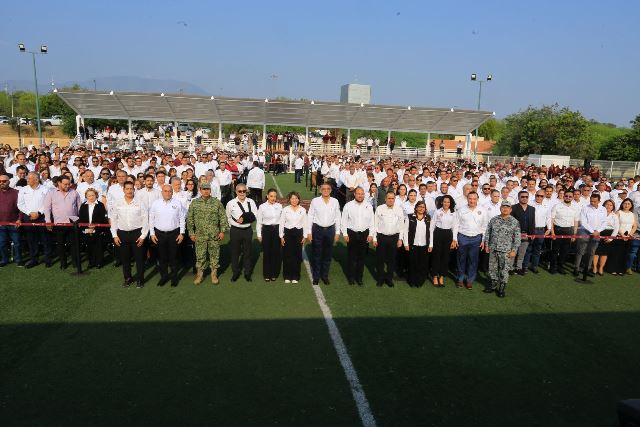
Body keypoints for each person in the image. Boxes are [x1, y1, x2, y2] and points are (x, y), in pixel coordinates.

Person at [187, 182, 228, 285]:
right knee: (200, 255)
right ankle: (200, 274)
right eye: (204, 189)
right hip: (200, 235)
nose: (206, 191)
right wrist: (191, 233)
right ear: (200, 190)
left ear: (210, 190)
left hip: (214, 235)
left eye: (207, 189)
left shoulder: (216, 202)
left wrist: (222, 231)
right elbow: (190, 218)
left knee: (214, 255)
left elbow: (223, 217)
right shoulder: (195, 203)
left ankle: (214, 274)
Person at [110, 181, 148, 288]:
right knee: (125, 259)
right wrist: (114, 235)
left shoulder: (140, 202)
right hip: (122, 234)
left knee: (139, 259)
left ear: (134, 190)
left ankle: (140, 279)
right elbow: (114, 219)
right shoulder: (117, 203)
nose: (129, 191)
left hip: (137, 234)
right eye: (127, 189)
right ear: (123, 190)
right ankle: (128, 278)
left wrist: (143, 236)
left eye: (131, 188)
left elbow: (145, 219)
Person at [149, 185, 186, 287]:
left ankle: (174, 278)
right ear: (162, 192)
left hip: (174, 234)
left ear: (172, 192)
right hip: (159, 234)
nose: (167, 193)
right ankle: (164, 277)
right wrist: (152, 233)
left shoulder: (177, 203)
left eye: (170, 191)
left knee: (173, 257)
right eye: (165, 191)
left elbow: (182, 219)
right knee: (162, 257)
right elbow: (151, 219)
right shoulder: (155, 203)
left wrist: (182, 233)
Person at [483, 201, 521, 298]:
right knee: (492, 269)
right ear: (500, 208)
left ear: (510, 209)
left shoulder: (514, 222)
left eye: (507, 207)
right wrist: (486, 245)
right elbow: (488, 233)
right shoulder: (494, 219)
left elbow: (517, 238)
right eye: (503, 207)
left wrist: (514, 250)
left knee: (504, 270)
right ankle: (493, 285)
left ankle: (501, 288)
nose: (505, 209)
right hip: (493, 248)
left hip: (506, 251)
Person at [43, 175, 81, 270]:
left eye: (69, 184)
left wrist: (79, 220)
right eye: (65, 184)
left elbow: (79, 207)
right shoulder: (51, 193)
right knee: (60, 244)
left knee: (74, 244)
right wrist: (48, 221)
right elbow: (47, 208)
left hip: (73, 223)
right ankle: (63, 263)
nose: (67, 186)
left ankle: (75, 262)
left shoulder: (74, 192)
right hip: (59, 223)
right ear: (59, 183)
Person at [307, 183, 341, 286]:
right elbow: (310, 216)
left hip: (330, 230)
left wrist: (337, 232)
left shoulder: (335, 201)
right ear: (320, 190)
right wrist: (309, 232)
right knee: (317, 254)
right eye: (323, 189)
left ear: (330, 190)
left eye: (328, 189)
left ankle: (325, 276)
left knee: (327, 254)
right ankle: (316, 277)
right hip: (317, 230)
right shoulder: (315, 201)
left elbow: (338, 217)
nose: (326, 190)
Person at [452, 192, 488, 289]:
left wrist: (483, 240)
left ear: (477, 199)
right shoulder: (461, 210)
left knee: (473, 261)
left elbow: (485, 226)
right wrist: (455, 238)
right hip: (462, 238)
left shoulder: (483, 210)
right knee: (461, 259)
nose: (472, 201)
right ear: (467, 199)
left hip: (476, 239)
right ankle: (460, 279)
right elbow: (455, 225)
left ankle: (470, 281)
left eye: (474, 199)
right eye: (470, 198)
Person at [341, 187, 375, 286]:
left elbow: (372, 221)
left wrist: (371, 234)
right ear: (354, 194)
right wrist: (345, 234)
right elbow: (344, 221)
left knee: (362, 257)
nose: (360, 195)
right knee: (352, 257)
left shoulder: (368, 206)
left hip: (364, 234)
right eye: (358, 193)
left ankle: (359, 277)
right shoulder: (348, 205)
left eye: (362, 194)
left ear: (364, 195)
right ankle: (351, 277)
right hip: (352, 233)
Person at [17, 172, 52, 268]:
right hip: (28, 217)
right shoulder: (23, 190)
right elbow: (20, 204)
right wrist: (29, 213)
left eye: (29, 178)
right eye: (27, 178)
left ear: (36, 180)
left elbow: (48, 203)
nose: (27, 180)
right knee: (31, 239)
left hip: (42, 216)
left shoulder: (46, 189)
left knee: (45, 238)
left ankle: (48, 259)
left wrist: (39, 213)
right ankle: (34, 259)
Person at [226, 183, 258, 282]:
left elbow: (255, 215)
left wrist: (244, 219)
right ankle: (235, 272)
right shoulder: (231, 203)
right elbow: (228, 217)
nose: (242, 193)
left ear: (246, 192)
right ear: (236, 192)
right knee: (235, 252)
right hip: (235, 230)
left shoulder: (251, 202)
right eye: (240, 191)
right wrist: (234, 224)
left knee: (247, 252)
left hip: (247, 230)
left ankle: (247, 273)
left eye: (244, 191)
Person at [373, 190, 405, 287]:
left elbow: (401, 226)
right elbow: (375, 224)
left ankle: (389, 279)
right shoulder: (379, 208)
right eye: (389, 198)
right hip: (381, 237)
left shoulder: (399, 209)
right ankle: (380, 278)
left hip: (394, 237)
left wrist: (400, 239)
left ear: (394, 199)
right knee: (380, 259)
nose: (391, 200)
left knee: (392, 260)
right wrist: (374, 238)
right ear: (385, 199)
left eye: (392, 198)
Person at [573, 193, 606, 276]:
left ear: (599, 201)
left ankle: (587, 269)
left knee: (592, 252)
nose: (592, 203)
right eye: (591, 201)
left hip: (597, 232)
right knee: (581, 251)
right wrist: (592, 231)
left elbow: (604, 222)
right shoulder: (585, 208)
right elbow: (583, 222)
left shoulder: (603, 209)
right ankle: (576, 268)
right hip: (585, 231)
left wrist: (598, 231)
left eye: (594, 201)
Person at [279, 191, 308, 283]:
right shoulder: (285, 209)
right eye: (292, 198)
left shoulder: (302, 210)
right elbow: (281, 223)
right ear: (289, 199)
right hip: (287, 233)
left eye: (296, 198)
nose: (294, 200)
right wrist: (281, 236)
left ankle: (295, 276)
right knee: (287, 254)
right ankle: (287, 276)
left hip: (298, 233)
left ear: (298, 199)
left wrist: (305, 236)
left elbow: (305, 223)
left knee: (297, 255)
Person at [429, 195, 456, 287]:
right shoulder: (437, 212)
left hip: (448, 235)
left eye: (448, 202)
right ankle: (435, 276)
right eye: (445, 202)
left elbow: (455, 227)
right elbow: (432, 226)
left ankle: (441, 276)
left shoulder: (453, 213)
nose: (446, 204)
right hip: (438, 233)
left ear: (450, 203)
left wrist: (454, 239)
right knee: (436, 256)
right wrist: (431, 242)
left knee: (445, 257)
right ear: (441, 202)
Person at [550, 190, 580, 274]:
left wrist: (574, 234)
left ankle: (561, 267)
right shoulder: (557, 206)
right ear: (563, 196)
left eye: (570, 196)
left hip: (569, 230)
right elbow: (551, 220)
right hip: (558, 230)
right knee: (555, 250)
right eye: (566, 196)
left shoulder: (575, 208)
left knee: (565, 251)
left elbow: (576, 222)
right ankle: (553, 267)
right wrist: (552, 232)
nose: (568, 197)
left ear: (573, 197)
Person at [257, 188, 283, 282]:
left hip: (277, 230)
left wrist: (282, 234)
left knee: (276, 252)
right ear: (267, 196)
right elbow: (259, 222)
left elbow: (282, 220)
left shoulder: (279, 206)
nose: (273, 198)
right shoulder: (262, 207)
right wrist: (259, 234)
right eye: (271, 196)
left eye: (275, 196)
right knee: (267, 252)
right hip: (267, 230)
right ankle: (266, 274)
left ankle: (274, 273)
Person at [78, 188, 108, 269]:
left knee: (98, 246)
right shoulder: (83, 205)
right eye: (89, 196)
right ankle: (91, 262)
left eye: (92, 195)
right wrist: (87, 228)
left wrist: (94, 226)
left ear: (96, 195)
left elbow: (102, 217)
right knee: (89, 246)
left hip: (98, 229)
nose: (91, 197)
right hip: (87, 229)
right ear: (86, 197)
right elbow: (81, 218)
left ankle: (99, 262)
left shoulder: (100, 205)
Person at [403, 201, 431, 288]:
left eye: (423, 207)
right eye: (419, 206)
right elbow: (405, 231)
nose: (421, 208)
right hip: (413, 244)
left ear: (425, 209)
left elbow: (431, 232)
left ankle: (420, 281)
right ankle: (412, 280)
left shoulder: (428, 218)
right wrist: (406, 244)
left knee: (422, 264)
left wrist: (431, 244)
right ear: (416, 208)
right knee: (412, 263)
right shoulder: (410, 217)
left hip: (424, 245)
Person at [608, 198, 637, 275]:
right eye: (625, 203)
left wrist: (629, 235)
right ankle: (613, 269)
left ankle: (621, 270)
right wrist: (622, 235)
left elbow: (634, 226)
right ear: (622, 204)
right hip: (618, 236)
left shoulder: (632, 214)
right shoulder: (618, 212)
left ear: (631, 205)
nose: (626, 205)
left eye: (628, 204)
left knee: (624, 254)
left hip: (628, 237)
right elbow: (616, 225)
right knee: (616, 253)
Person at [510, 191, 536, 275]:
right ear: (518, 198)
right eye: (522, 197)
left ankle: (518, 268)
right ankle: (510, 268)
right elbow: (510, 222)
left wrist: (532, 233)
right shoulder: (513, 208)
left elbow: (533, 221)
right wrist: (512, 234)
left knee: (522, 253)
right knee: (513, 252)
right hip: (515, 235)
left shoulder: (532, 209)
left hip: (527, 235)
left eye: (526, 197)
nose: (524, 198)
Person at [0, 174, 22, 267]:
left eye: (4, 181)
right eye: (0, 181)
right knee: (2, 243)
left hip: (14, 223)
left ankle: (18, 260)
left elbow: (21, 208)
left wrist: (19, 219)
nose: (2, 183)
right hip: (1, 224)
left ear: (9, 181)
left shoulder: (16, 192)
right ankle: (4, 259)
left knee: (17, 243)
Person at [592, 199, 618, 275]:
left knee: (604, 253)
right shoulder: (599, 213)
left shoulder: (615, 216)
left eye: (611, 205)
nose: (608, 206)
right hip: (599, 233)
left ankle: (601, 268)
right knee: (596, 251)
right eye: (607, 204)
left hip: (609, 235)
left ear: (613, 207)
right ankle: (594, 267)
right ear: (604, 205)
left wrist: (611, 238)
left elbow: (616, 228)